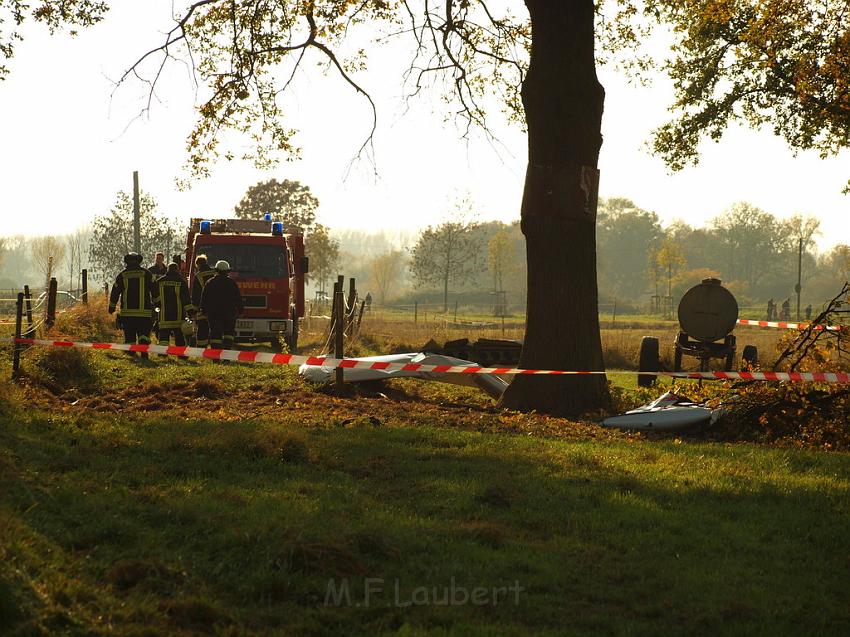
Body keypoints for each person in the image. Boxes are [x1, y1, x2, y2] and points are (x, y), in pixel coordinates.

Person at [108, 252, 155, 358]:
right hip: (144, 313)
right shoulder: (146, 273)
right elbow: (155, 289)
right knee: (144, 333)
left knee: (129, 335)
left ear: (127, 261)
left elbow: (115, 292)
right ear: (139, 261)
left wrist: (111, 307)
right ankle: (144, 350)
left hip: (128, 313)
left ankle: (131, 351)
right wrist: (158, 304)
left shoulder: (122, 275)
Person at [200, 260, 244, 350]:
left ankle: (215, 357)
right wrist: (241, 310)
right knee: (228, 334)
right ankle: (226, 356)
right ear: (227, 271)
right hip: (229, 314)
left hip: (213, 314)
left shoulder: (210, 282)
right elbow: (238, 298)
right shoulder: (232, 283)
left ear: (216, 270)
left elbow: (204, 298)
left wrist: (203, 311)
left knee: (215, 334)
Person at [153, 262, 193, 348]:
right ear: (177, 270)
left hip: (164, 316)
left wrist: (157, 307)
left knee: (163, 337)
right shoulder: (181, 281)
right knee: (179, 337)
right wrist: (190, 313)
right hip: (178, 317)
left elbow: (155, 297)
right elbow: (186, 299)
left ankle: (162, 354)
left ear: (168, 270)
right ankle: (181, 354)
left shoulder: (160, 281)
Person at [190, 254, 217, 347]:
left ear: (198, 264)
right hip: (216, 307)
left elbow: (196, 295)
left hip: (203, 307)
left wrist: (194, 309)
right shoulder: (215, 273)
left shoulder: (198, 276)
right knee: (216, 330)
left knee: (202, 330)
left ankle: (201, 350)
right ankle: (216, 349)